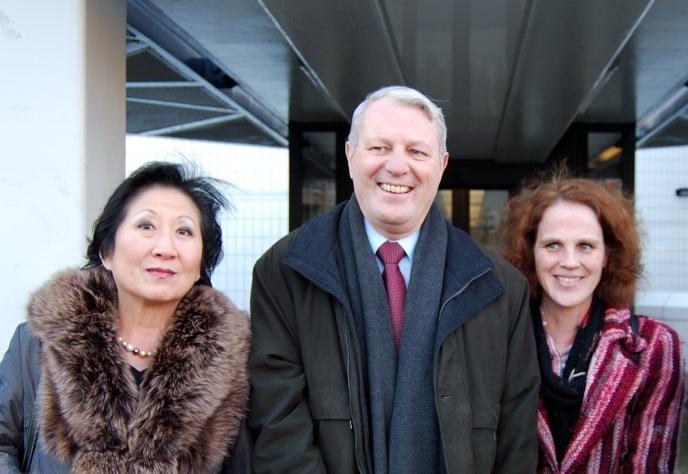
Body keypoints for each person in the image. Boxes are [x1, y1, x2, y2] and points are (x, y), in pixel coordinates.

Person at [248, 85, 540, 473]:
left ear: (442, 164)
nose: (397, 166)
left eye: (417, 151)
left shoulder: (500, 288)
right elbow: (278, 427)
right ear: (350, 155)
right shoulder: (283, 272)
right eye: (379, 148)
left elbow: (516, 442)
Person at [0, 162, 251, 473]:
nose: (165, 248)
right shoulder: (38, 344)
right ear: (107, 251)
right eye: (146, 226)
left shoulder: (231, 362)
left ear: (200, 264)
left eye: (184, 231)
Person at [502, 171, 685, 473]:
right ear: (530, 252)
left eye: (585, 246)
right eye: (552, 245)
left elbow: (649, 464)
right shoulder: (500, 338)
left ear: (607, 256)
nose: (570, 261)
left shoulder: (653, 345)